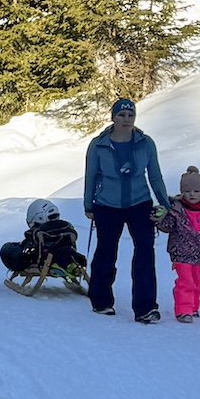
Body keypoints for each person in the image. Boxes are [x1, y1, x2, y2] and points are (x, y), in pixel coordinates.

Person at [84, 97, 170, 323]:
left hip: (140, 203)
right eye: (121, 115)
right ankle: (101, 301)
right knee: (106, 252)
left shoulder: (145, 143)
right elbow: (91, 176)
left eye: (130, 115)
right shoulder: (98, 144)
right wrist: (88, 204)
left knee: (144, 252)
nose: (126, 119)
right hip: (106, 205)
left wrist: (165, 204)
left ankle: (145, 308)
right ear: (113, 117)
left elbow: (155, 176)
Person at [154, 166, 200, 322]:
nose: (192, 194)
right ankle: (183, 310)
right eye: (188, 191)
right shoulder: (176, 210)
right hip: (181, 253)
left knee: (197, 282)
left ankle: (193, 307)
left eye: (196, 191)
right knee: (185, 282)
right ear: (182, 192)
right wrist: (159, 218)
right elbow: (168, 226)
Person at [0, 198, 84, 279]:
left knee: (8, 250)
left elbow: (27, 248)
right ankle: (70, 265)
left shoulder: (38, 233)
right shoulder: (66, 228)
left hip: (45, 262)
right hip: (67, 255)